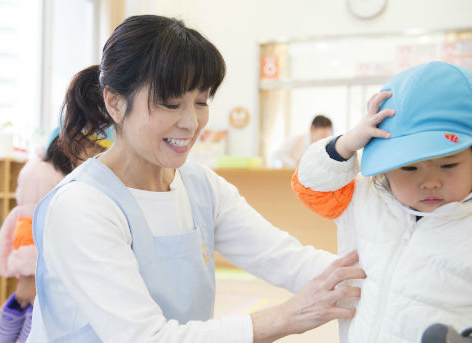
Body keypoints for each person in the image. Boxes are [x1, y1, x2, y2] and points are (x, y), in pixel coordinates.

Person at [27, 15, 366, 342]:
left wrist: (381, 275)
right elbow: (144, 338)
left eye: (201, 102)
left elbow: (284, 258)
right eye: (171, 103)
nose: (191, 122)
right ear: (115, 103)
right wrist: (285, 317)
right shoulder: (80, 206)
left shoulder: (201, 187)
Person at [292, 61, 472, 342]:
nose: (430, 182)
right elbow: (310, 187)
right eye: (409, 168)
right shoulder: (368, 198)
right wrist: (347, 143)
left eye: (448, 165)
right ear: (386, 167)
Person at [0, 129, 111, 343]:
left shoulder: (68, 174)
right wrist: (28, 278)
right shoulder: (41, 174)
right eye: (94, 148)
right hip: (38, 273)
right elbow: (28, 227)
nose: (97, 156)